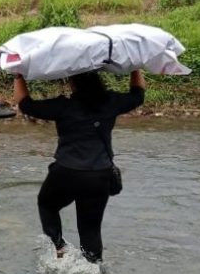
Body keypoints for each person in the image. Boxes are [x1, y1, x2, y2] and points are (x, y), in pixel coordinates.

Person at [14, 70, 146, 263]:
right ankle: (94, 273)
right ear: (99, 80)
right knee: (90, 230)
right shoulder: (111, 102)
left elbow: (25, 105)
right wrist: (135, 68)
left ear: (73, 83)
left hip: (66, 172)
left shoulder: (63, 105)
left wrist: (18, 77)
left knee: (47, 204)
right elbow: (138, 94)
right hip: (99, 175)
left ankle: (60, 247)